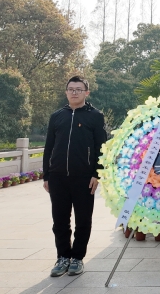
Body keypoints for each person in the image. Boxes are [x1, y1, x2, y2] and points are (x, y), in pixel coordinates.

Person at [43, 75, 107, 277]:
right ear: (66, 92)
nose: (74, 92)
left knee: (83, 220)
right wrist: (46, 176)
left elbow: (102, 147)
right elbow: (49, 147)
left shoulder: (95, 116)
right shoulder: (57, 116)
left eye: (79, 89)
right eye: (71, 89)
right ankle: (63, 257)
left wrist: (97, 173)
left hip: (84, 178)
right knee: (60, 221)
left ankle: (77, 258)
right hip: (58, 177)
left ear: (86, 92)